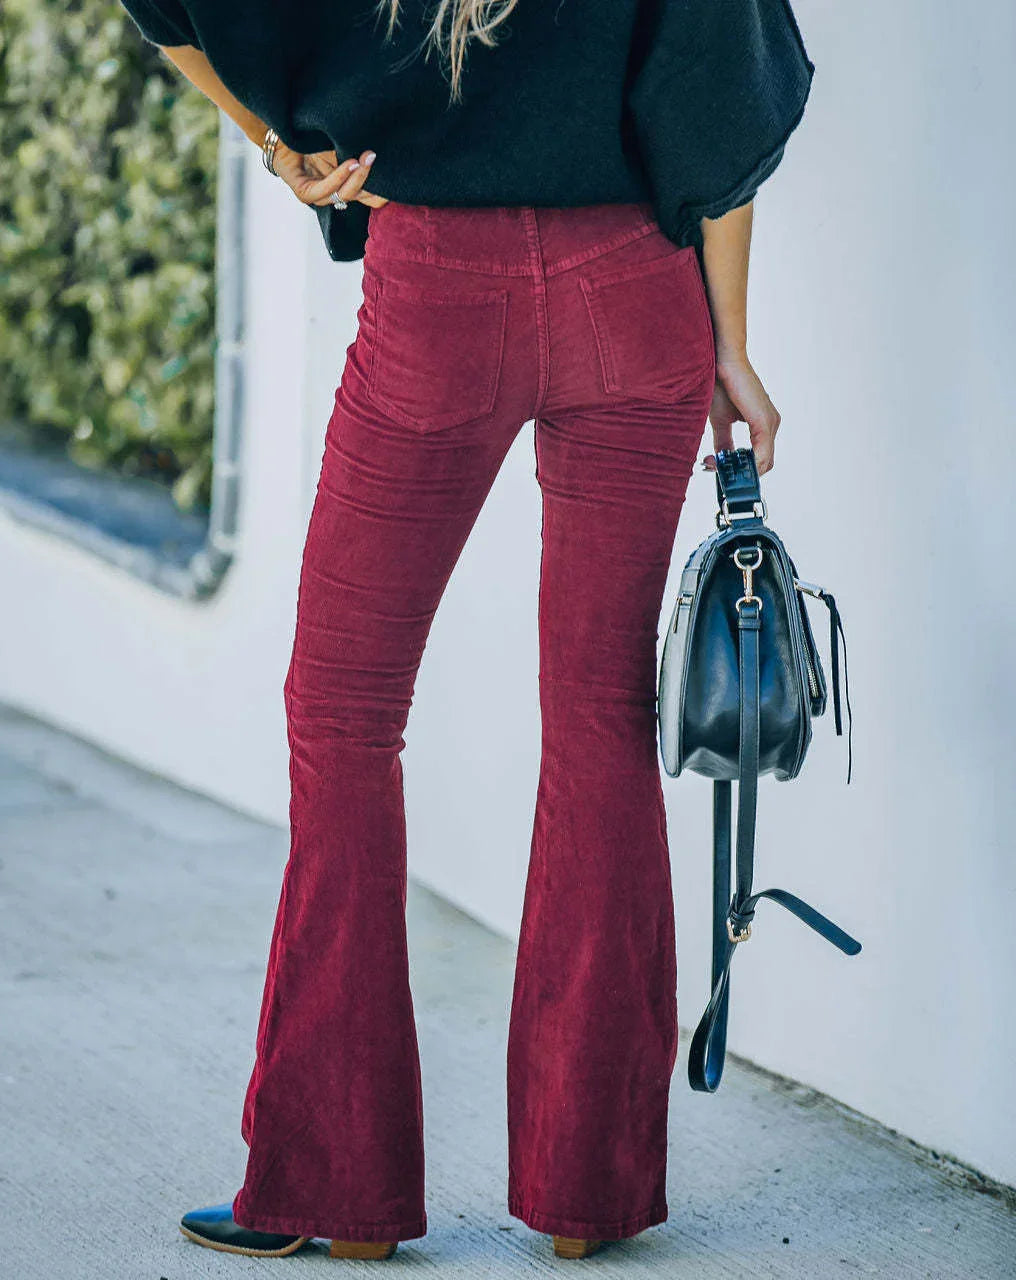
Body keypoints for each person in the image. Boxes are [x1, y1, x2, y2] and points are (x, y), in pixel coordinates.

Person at [115, 0, 814, 1261]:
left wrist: (281, 144)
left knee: (343, 715)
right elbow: (723, 110)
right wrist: (733, 349)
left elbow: (169, 9)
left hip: (438, 296)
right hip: (635, 297)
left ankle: (335, 1192)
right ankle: (588, 1194)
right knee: (601, 718)